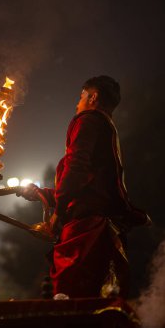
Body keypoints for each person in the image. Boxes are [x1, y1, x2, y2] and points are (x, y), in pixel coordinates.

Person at [19, 76, 150, 299]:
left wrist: (57, 213)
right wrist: (43, 194)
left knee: (70, 304)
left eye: (80, 96)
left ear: (93, 97)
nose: (77, 104)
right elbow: (89, 188)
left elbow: (76, 168)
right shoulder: (106, 129)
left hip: (85, 233)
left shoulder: (88, 120)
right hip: (102, 230)